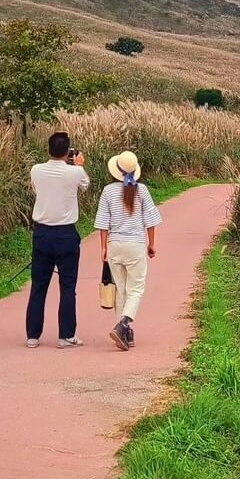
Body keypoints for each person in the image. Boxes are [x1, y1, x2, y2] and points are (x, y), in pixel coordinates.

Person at [25, 131, 90, 348]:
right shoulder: (75, 172)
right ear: (68, 151)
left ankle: (33, 336)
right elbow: (86, 185)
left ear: (48, 149)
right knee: (68, 285)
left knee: (38, 285)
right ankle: (66, 335)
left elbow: (37, 188)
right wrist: (78, 164)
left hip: (42, 232)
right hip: (65, 233)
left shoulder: (36, 170)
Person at [94, 150, 162, 351]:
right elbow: (150, 220)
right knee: (136, 288)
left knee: (120, 289)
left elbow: (103, 222)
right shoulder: (142, 190)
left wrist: (103, 247)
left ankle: (124, 332)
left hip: (115, 244)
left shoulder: (108, 191)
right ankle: (124, 324)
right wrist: (151, 244)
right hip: (135, 245)